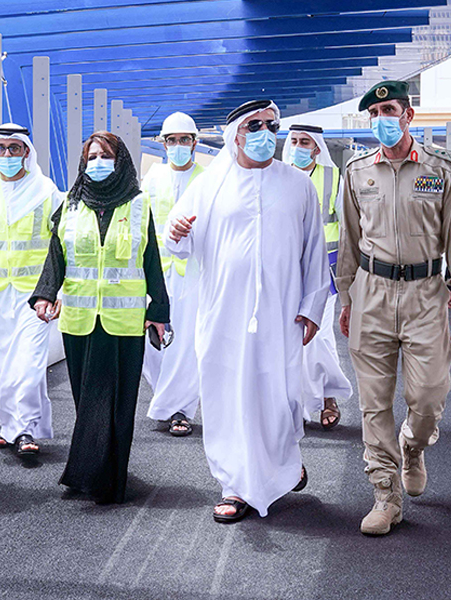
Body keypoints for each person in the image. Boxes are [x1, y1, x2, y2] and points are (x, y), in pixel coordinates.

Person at [165, 100, 330, 523]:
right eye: (254, 125)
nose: (264, 132)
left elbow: (314, 252)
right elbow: (178, 241)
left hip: (282, 313)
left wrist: (313, 306)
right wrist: (177, 232)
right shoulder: (209, 184)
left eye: (271, 125)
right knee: (228, 396)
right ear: (235, 133)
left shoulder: (298, 185)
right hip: (223, 313)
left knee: (278, 395)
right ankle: (235, 485)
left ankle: (281, 467)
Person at [336, 81, 451, 536]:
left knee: (429, 397)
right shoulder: (357, 172)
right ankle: (385, 495)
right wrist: (345, 297)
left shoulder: (442, 168)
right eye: (374, 112)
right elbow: (350, 242)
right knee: (374, 404)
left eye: (389, 109)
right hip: (371, 293)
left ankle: (413, 448)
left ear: (409, 115)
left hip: (427, 295)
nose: (382, 119)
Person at [30, 131, 169, 504]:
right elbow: (56, 255)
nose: (97, 163)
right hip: (78, 319)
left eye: (105, 155)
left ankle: (107, 480)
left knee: (116, 402)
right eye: (91, 157)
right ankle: (92, 471)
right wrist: (45, 294)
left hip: (123, 322)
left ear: (120, 159)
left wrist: (159, 311)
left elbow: (151, 260)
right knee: (86, 400)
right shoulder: (70, 203)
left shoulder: (139, 205)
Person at [0, 123, 63, 457]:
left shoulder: (45, 190)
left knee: (27, 364)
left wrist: (55, 291)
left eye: (15, 148)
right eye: (2, 148)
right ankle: (11, 427)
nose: (8, 154)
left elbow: (60, 243)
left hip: (34, 294)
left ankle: (24, 430)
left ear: (27, 151)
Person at [282, 124, 353, 429]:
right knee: (287, 337)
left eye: (305, 142)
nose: (299, 146)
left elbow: (349, 228)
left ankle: (328, 397)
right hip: (286, 273)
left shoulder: (334, 177)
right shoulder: (279, 176)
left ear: (317, 147)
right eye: (294, 141)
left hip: (325, 272)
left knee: (320, 336)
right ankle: (291, 402)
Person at [141, 112, 204, 437]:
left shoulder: (208, 179)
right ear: (163, 144)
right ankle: (166, 396)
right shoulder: (151, 179)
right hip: (156, 273)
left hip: (194, 273)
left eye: (184, 140)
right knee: (154, 344)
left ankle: (181, 409)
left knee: (187, 344)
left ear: (194, 142)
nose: (178, 146)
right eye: (171, 140)